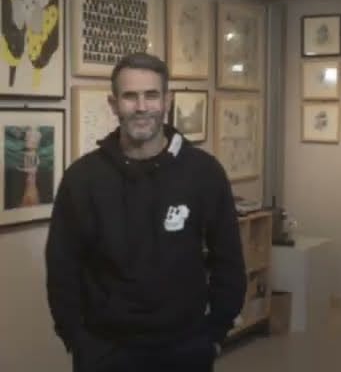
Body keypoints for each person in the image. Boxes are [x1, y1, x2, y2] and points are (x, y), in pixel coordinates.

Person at [45, 52, 247, 372]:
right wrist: (76, 339)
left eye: (151, 95)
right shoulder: (82, 179)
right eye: (130, 96)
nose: (141, 107)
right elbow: (62, 267)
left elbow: (229, 260)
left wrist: (215, 333)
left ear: (167, 100)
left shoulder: (204, 172)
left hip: (186, 347)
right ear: (114, 104)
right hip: (105, 350)